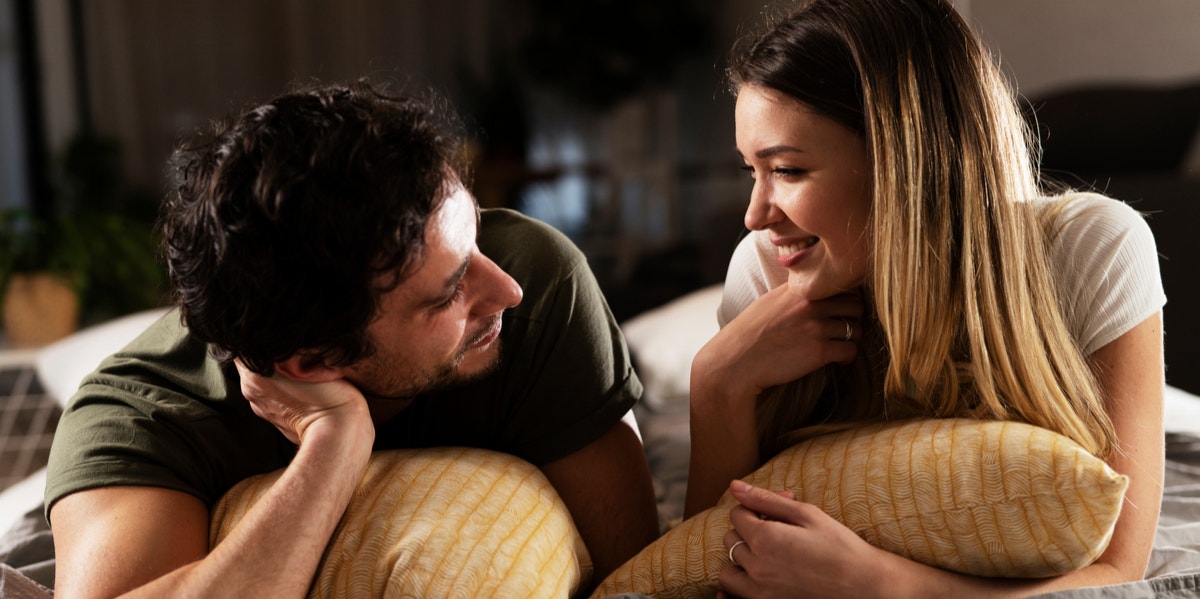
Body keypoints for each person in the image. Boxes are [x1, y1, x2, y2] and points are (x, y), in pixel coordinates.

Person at [44, 79, 660, 597]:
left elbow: (633, 578)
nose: (504, 290)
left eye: (474, 235)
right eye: (447, 294)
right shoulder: (143, 415)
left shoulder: (539, 280)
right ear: (314, 361)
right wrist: (334, 445)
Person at [685, 0, 1165, 596]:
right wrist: (716, 384)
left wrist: (878, 584)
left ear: (905, 163)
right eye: (748, 171)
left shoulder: (1091, 250)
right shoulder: (767, 269)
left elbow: (1119, 574)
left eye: (786, 170)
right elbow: (701, 565)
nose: (756, 216)